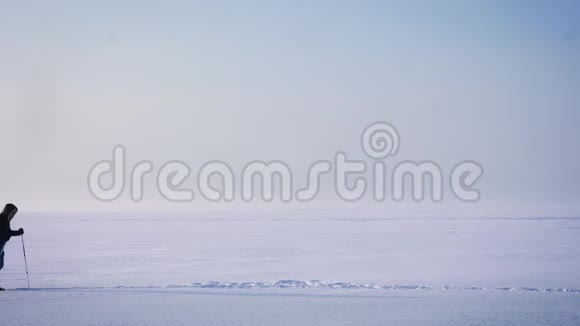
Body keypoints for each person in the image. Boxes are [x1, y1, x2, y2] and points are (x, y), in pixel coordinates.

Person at [0, 204, 24, 288]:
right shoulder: (1, 219)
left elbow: (7, 232)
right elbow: (6, 233)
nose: (13, 215)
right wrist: (18, 232)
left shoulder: (5, 220)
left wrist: (18, 232)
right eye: (12, 212)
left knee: (0, 264)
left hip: (2, 244)